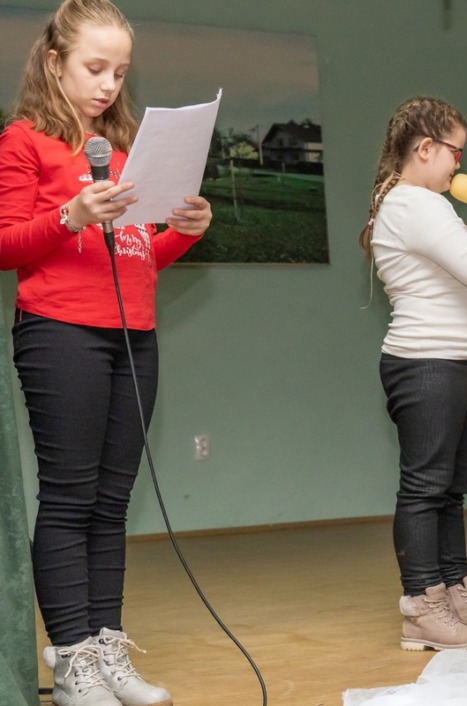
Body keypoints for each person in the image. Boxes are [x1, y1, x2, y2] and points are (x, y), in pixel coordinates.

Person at [0, 1, 213, 704]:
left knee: (111, 501)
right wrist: (70, 215)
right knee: (70, 496)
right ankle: (72, 661)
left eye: (119, 73)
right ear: (54, 62)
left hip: (133, 334)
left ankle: (107, 646)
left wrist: (184, 232)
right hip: (59, 332)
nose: (108, 85)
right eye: (95, 68)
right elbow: (5, 244)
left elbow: (136, 256)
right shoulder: (24, 141)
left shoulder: (123, 152)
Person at [362, 96, 467, 651]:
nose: (460, 164)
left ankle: (457, 596)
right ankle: (422, 608)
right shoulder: (415, 203)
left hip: (450, 364)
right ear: (425, 148)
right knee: (425, 489)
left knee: (450, 491)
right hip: (427, 364)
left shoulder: (419, 203)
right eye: (455, 152)